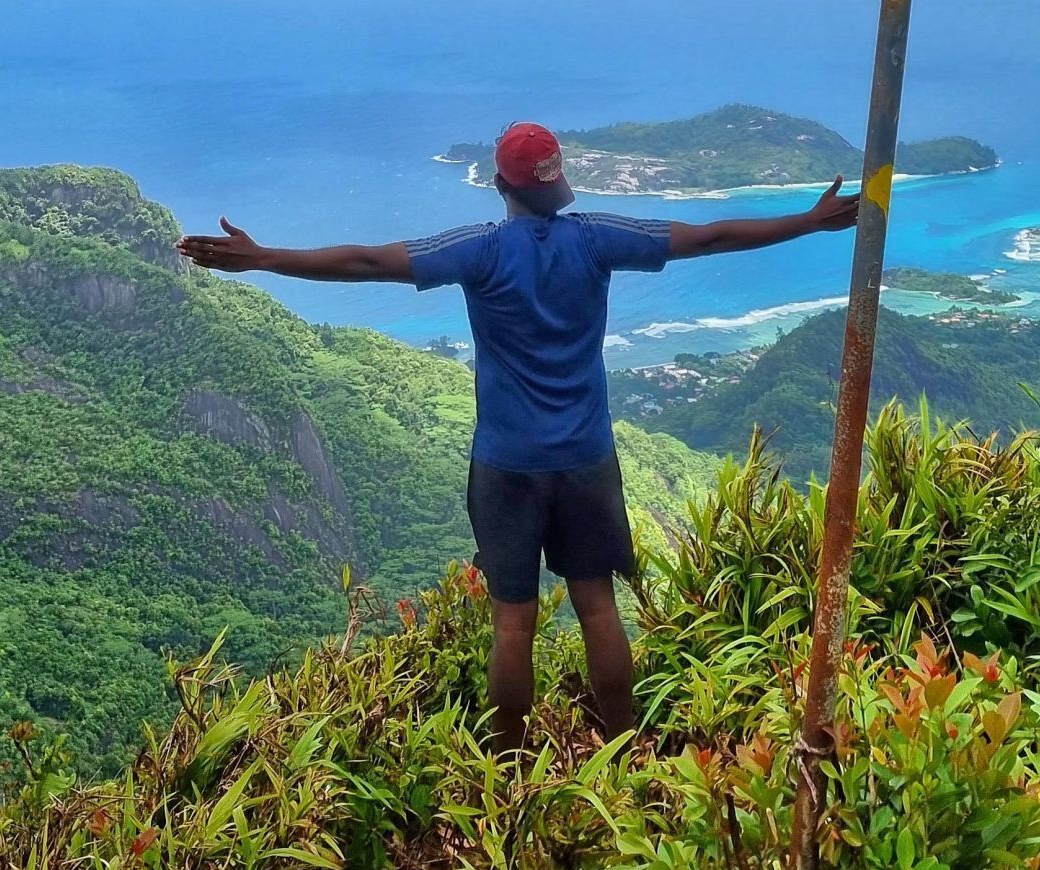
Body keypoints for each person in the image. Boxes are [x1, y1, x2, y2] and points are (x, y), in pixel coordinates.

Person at [177, 122, 858, 748]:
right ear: (556, 184)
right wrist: (808, 221)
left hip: (505, 463)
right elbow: (710, 238)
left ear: (501, 185)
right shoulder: (596, 237)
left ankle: (508, 763)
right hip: (586, 457)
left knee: (512, 621)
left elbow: (363, 262)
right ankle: (621, 747)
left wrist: (263, 257)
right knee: (596, 606)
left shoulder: (477, 250)